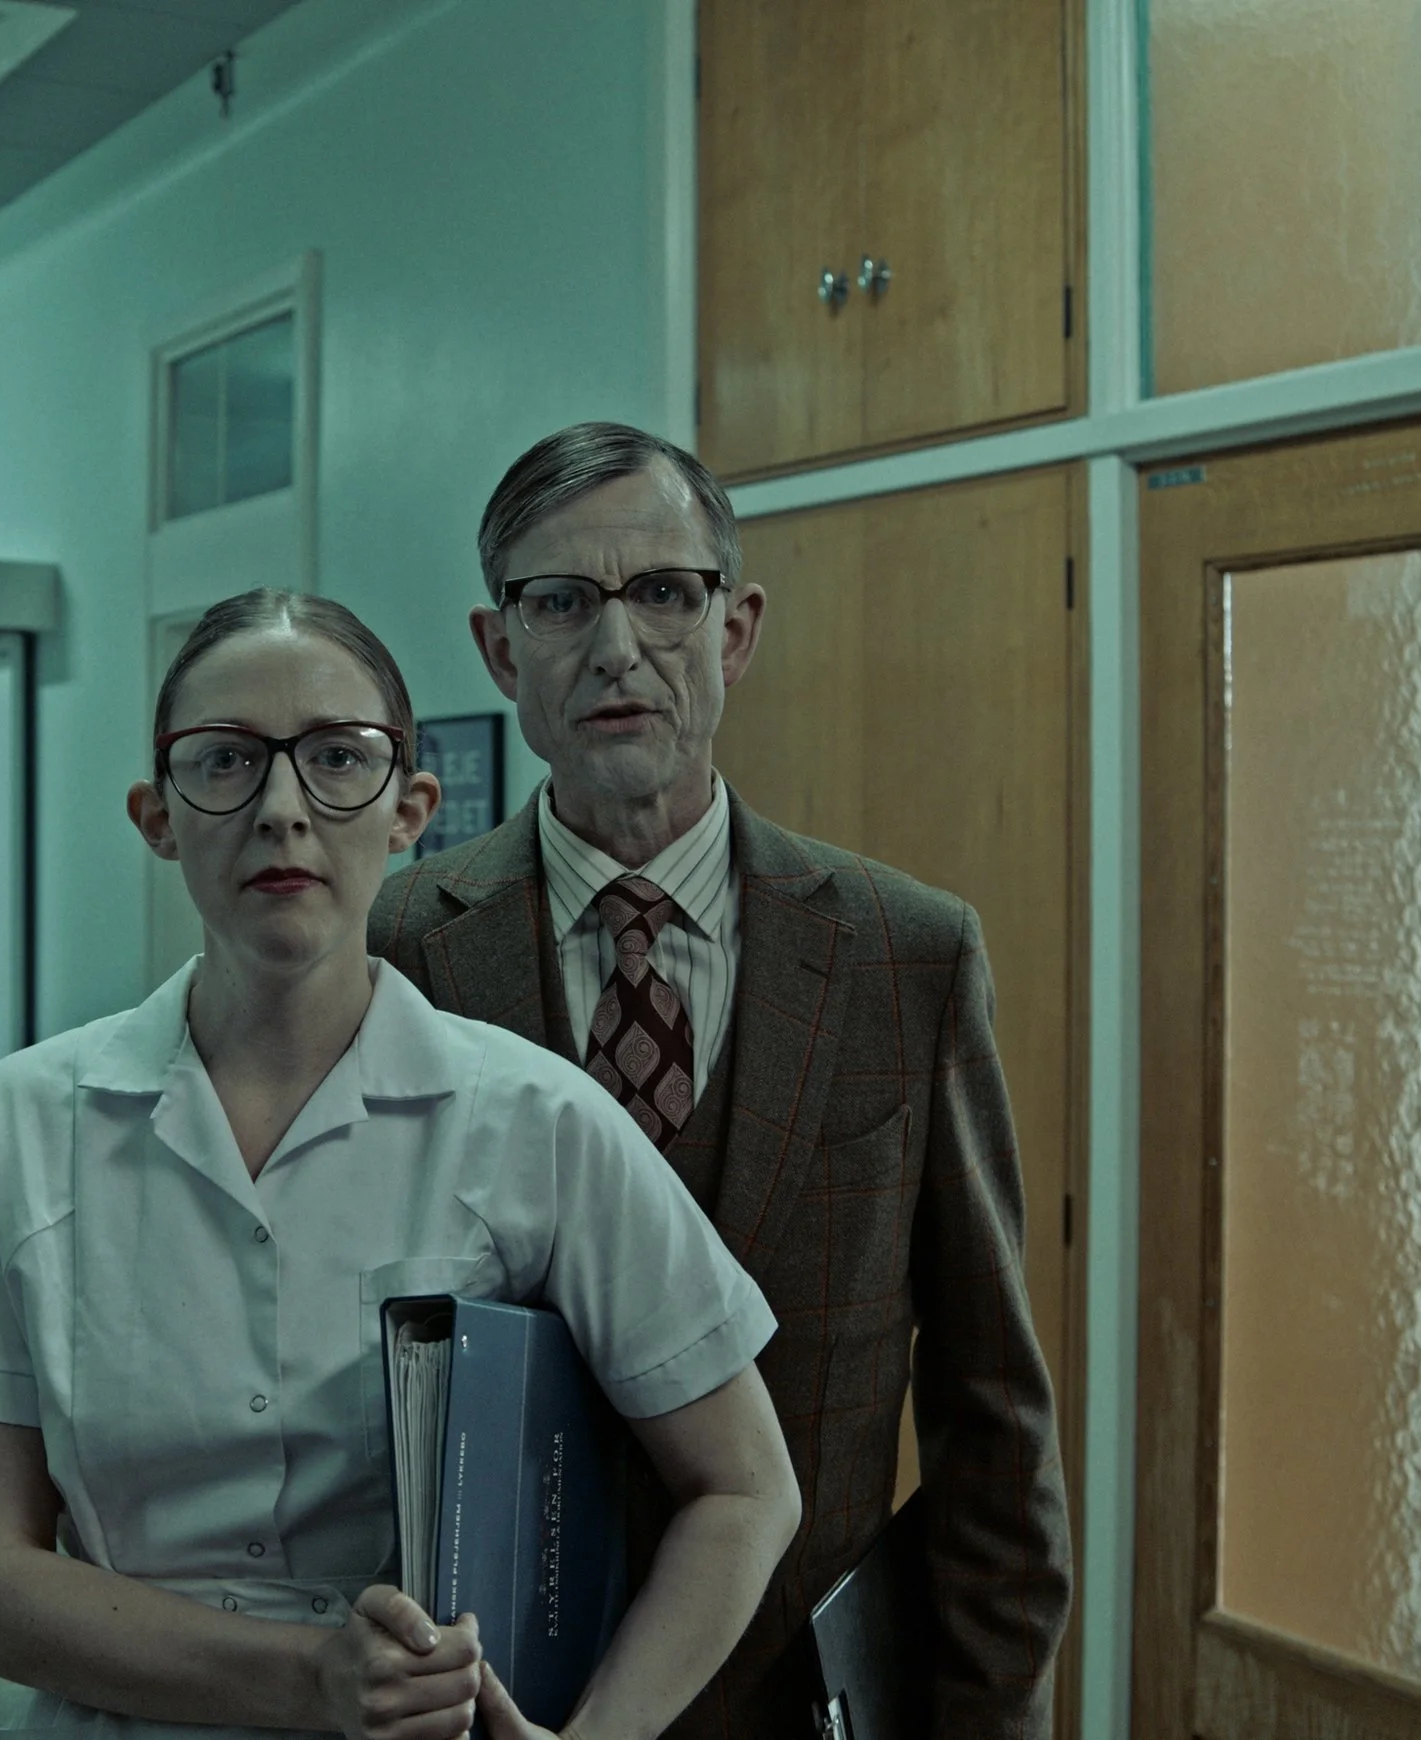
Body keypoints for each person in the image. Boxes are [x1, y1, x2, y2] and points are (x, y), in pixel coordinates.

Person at [0, 588, 803, 1740]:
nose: (283, 809)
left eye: (339, 761)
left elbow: (745, 1487)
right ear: (157, 814)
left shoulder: (535, 1119)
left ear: (411, 809)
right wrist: (308, 1677)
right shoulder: (28, 1123)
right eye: (225, 762)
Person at [371, 425, 1073, 1739]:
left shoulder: (904, 953)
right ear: (498, 649)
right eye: (563, 600)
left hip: (798, 1702)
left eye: (663, 595)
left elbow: (994, 1418)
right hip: (488, 1703)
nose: (616, 647)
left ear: (735, 630)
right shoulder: (397, 951)